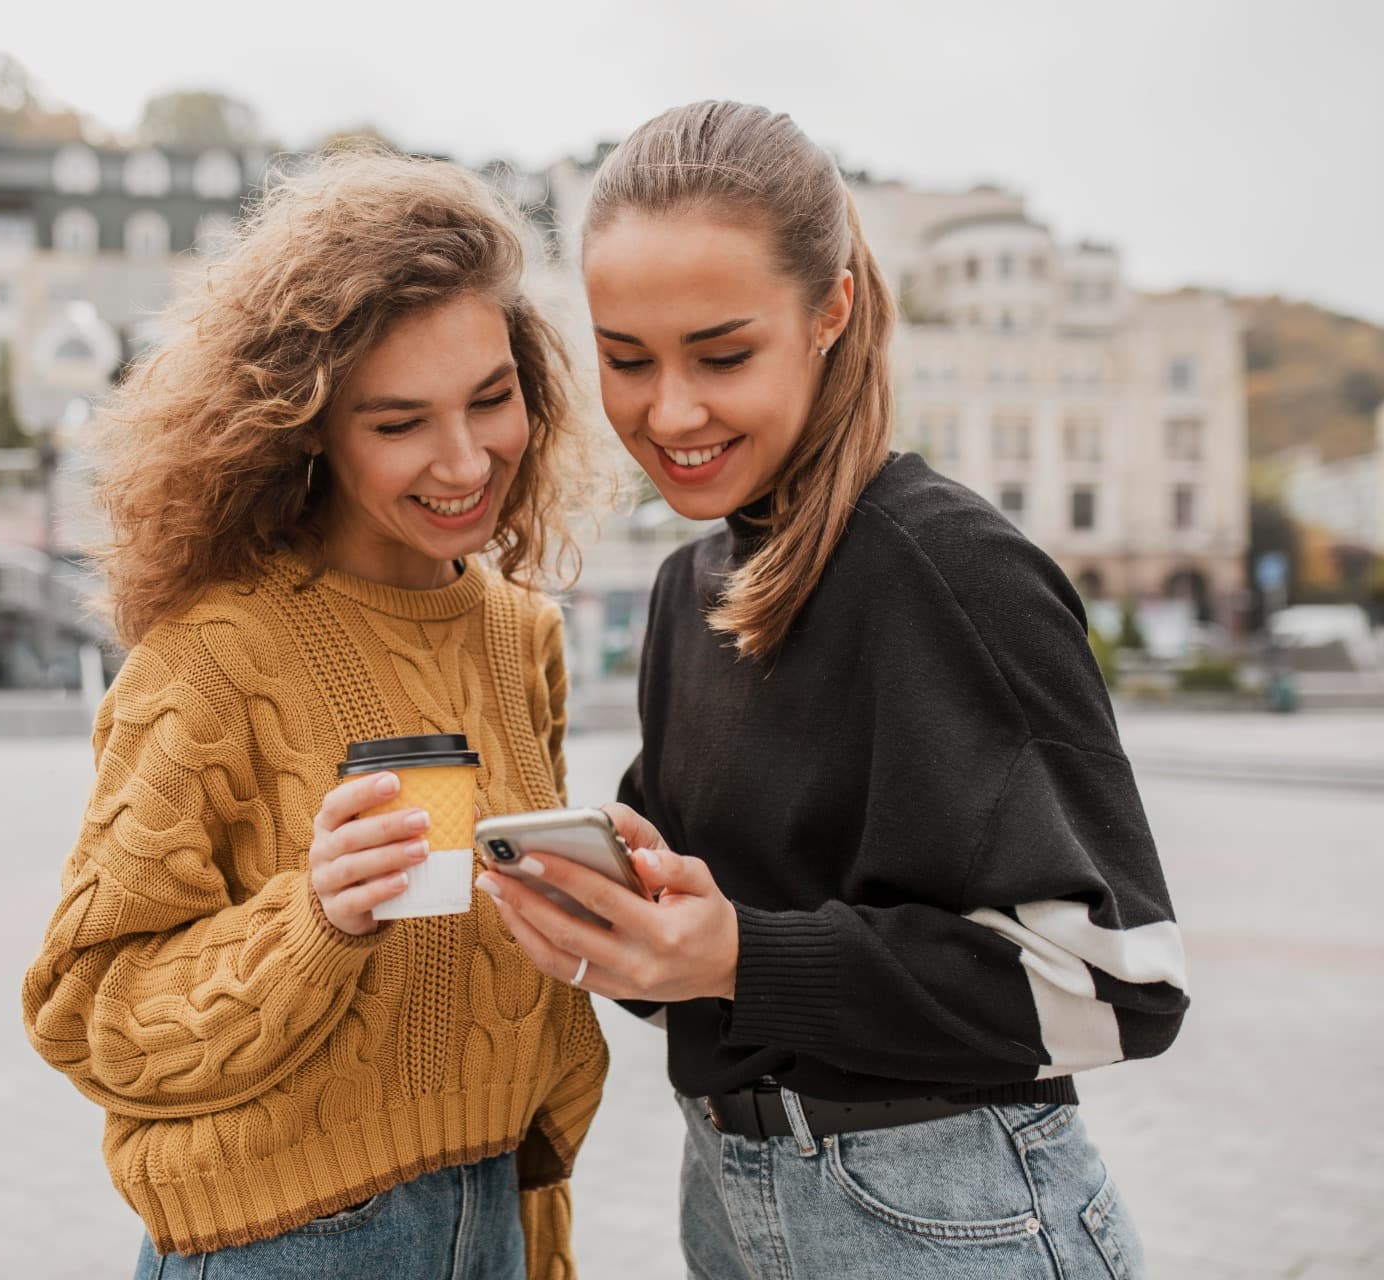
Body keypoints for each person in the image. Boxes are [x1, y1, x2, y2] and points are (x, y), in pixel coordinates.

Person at [480, 101, 1188, 1279]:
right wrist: (638, 928)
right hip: (728, 1197)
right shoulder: (684, 584)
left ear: (831, 309)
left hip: (949, 1214)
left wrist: (736, 957)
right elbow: (727, 964)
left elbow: (1123, 987)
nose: (670, 411)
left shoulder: (948, 565)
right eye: (625, 358)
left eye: (721, 353)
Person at [22, 151, 607, 1280]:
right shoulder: (213, 657)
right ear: (307, 427)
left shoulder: (518, 632)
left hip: (495, 1208)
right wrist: (314, 921)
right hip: (284, 1243)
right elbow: (87, 1008)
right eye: (399, 423)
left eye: (492, 398)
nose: (464, 457)